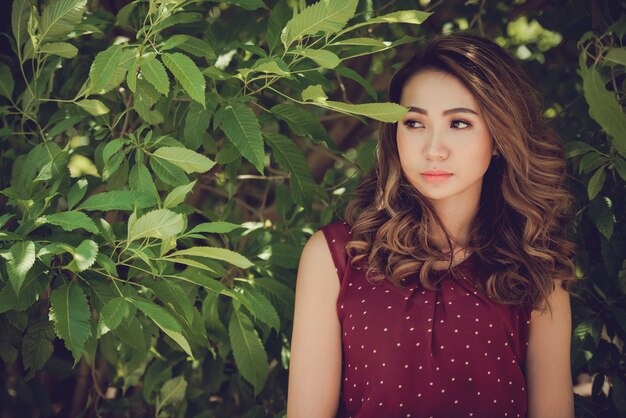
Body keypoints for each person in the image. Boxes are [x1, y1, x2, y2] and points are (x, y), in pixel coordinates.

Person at [286, 32, 576, 418]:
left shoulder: (537, 269)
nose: (433, 149)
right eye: (414, 123)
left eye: (459, 123)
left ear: (499, 139)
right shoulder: (335, 257)